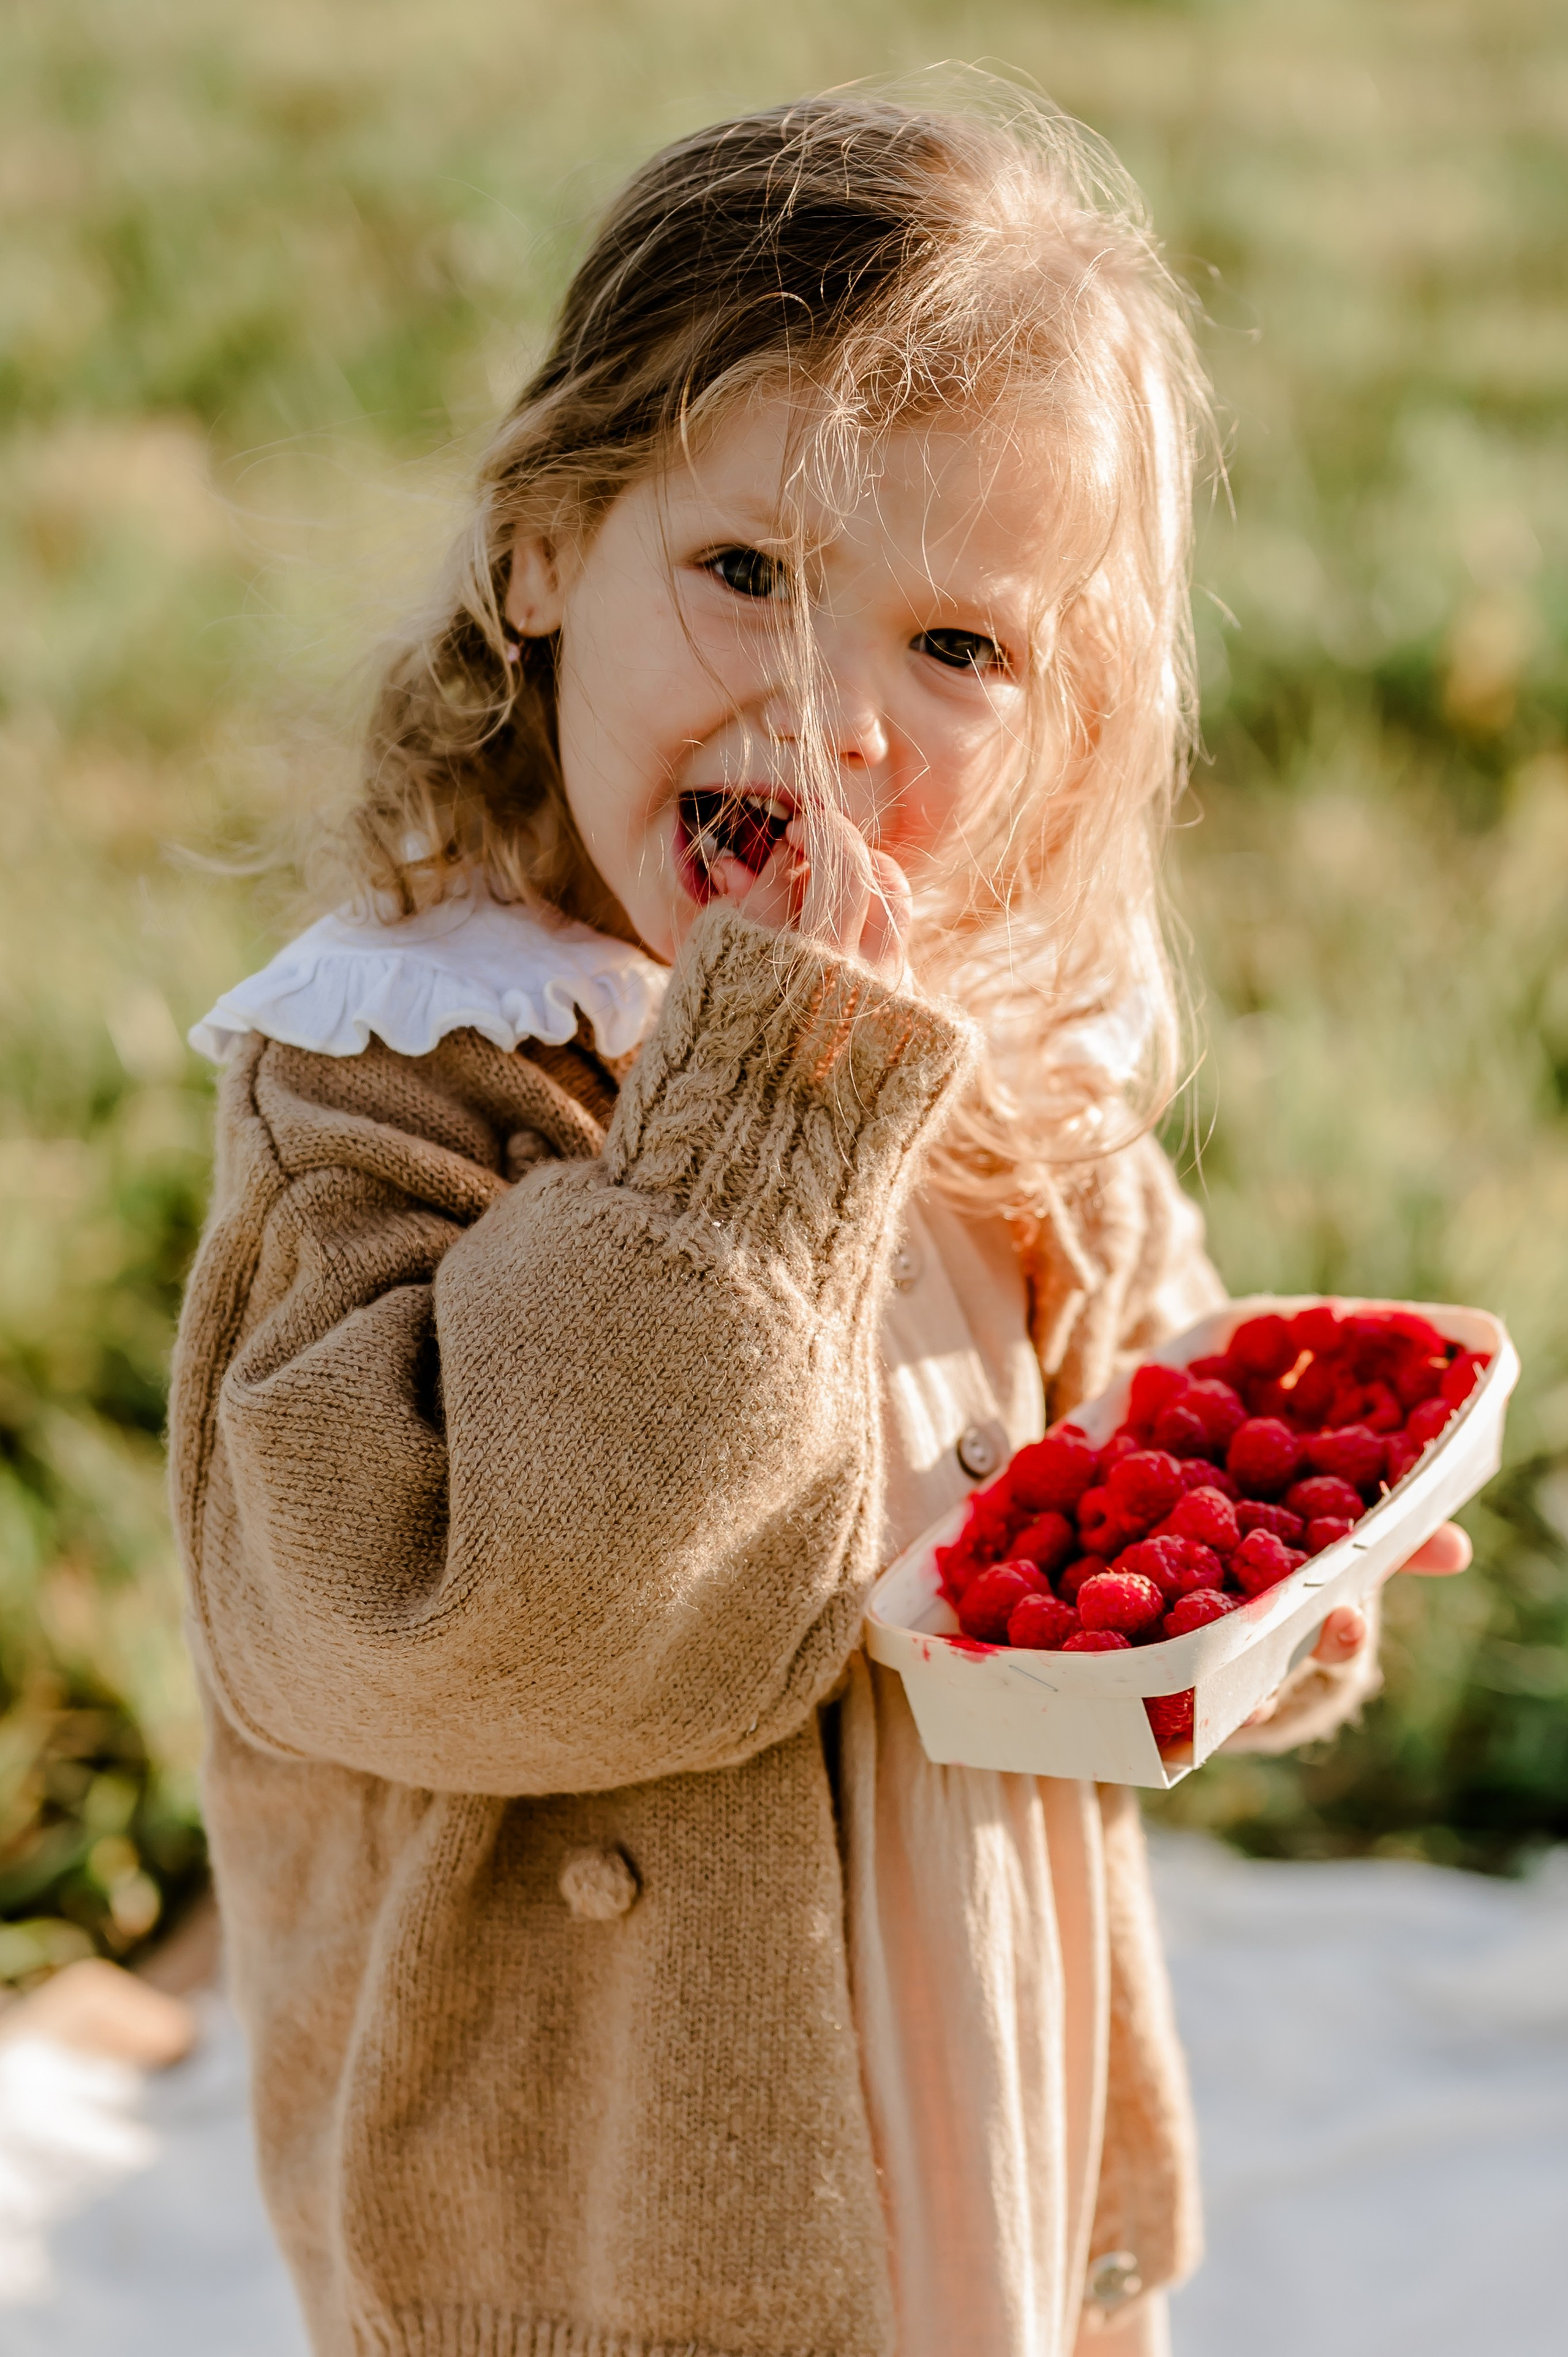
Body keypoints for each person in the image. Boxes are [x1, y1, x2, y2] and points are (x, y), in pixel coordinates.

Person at [172, 86, 1469, 2357]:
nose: (829, 712)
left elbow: (1129, 1476)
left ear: (1063, 723)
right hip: (602, 2262)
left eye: (957, 647)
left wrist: (1273, 1593)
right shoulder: (396, 1083)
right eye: (748, 573)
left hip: (984, 2147)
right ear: (545, 549)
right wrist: (760, 1112)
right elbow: (470, 1625)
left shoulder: (1008, 1078)